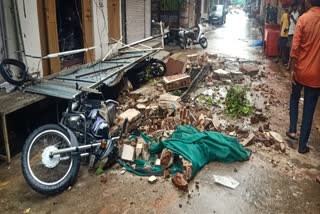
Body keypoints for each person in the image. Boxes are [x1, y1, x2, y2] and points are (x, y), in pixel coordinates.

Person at [287, 0, 320, 154]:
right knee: (309, 109)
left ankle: (292, 130)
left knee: (294, 98)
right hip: (317, 76)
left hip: (300, 71)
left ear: (308, 2)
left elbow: (295, 47)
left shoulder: (304, 19)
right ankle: (302, 146)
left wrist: (291, 68)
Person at [287, 2, 300, 69]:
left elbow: (297, 23)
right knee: (290, 48)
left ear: (296, 7)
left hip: (294, 33)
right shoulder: (292, 13)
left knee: (292, 49)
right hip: (290, 32)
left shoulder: (298, 14)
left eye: (294, 7)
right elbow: (290, 23)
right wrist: (288, 18)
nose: (293, 8)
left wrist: (292, 18)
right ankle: (289, 65)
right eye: (292, 7)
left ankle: (290, 66)